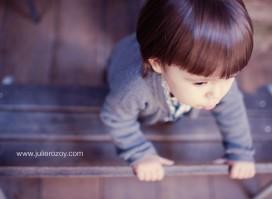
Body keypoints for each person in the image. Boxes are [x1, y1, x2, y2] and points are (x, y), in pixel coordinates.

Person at [100, 0, 255, 182]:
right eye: (200, 83)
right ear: (158, 64)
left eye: (231, 76)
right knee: (119, 97)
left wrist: (241, 151)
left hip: (166, 97)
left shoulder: (216, 74)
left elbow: (232, 110)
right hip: (123, 76)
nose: (217, 93)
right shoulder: (134, 88)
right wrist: (140, 153)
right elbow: (116, 117)